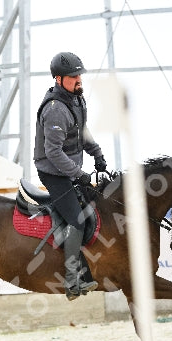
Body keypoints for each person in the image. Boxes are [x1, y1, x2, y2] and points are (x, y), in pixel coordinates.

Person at [34, 51, 108, 300]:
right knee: (77, 220)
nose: (78, 79)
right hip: (53, 173)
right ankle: (71, 281)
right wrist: (80, 174)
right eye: (72, 76)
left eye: (79, 75)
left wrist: (97, 154)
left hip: (70, 170)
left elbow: (81, 132)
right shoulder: (55, 109)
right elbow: (52, 152)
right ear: (58, 79)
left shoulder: (77, 101)